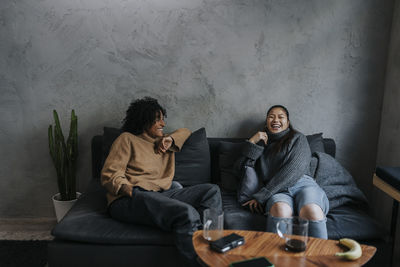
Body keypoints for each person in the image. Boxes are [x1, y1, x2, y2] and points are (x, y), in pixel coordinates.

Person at [101, 97, 222, 266]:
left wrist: (170, 139)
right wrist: (129, 190)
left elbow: (185, 131)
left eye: (163, 119)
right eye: (158, 119)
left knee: (212, 190)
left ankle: (213, 247)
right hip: (129, 198)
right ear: (144, 121)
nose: (163, 124)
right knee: (186, 213)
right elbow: (110, 173)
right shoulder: (127, 139)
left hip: (161, 195)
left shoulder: (164, 143)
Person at [236, 105, 329, 239]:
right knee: (280, 210)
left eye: (281, 117)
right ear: (266, 122)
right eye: (271, 116)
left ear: (288, 123)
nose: (276, 120)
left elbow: (294, 169)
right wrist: (252, 142)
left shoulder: (298, 138)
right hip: (278, 191)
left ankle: (321, 258)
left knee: (311, 210)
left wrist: (263, 195)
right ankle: (278, 258)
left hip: (302, 184)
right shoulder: (261, 143)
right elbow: (240, 169)